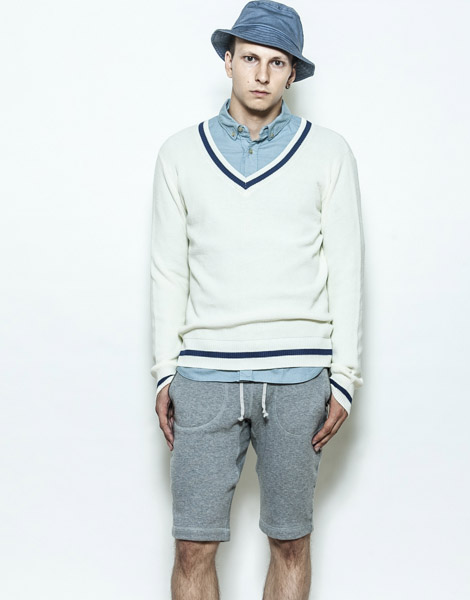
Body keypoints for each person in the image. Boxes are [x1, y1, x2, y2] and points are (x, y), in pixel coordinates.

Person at [150, 1, 365, 598]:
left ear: (292, 73)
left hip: (298, 378)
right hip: (204, 376)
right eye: (250, 58)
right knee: (192, 546)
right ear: (228, 62)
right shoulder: (179, 154)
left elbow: (348, 269)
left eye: (277, 62)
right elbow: (167, 271)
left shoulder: (329, 153)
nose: (262, 74)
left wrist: (345, 378)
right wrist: (165, 372)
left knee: (291, 542)